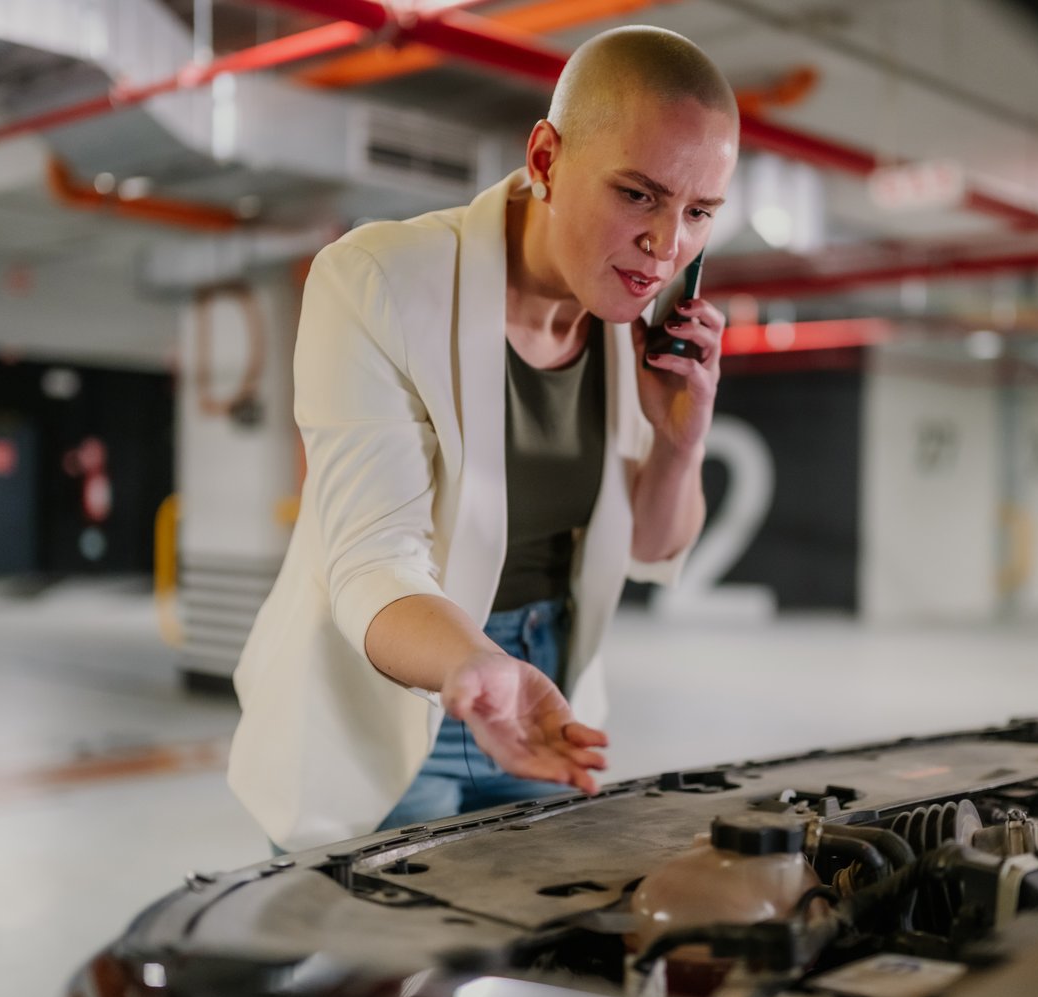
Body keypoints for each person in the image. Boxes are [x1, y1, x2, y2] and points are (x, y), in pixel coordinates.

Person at [229, 25, 741, 853]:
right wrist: (474, 667)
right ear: (544, 159)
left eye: (699, 212)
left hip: (544, 690)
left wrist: (680, 441)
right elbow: (372, 563)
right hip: (401, 693)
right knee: (377, 968)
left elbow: (650, 546)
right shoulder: (377, 282)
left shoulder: (631, 319)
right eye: (637, 194)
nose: (666, 245)